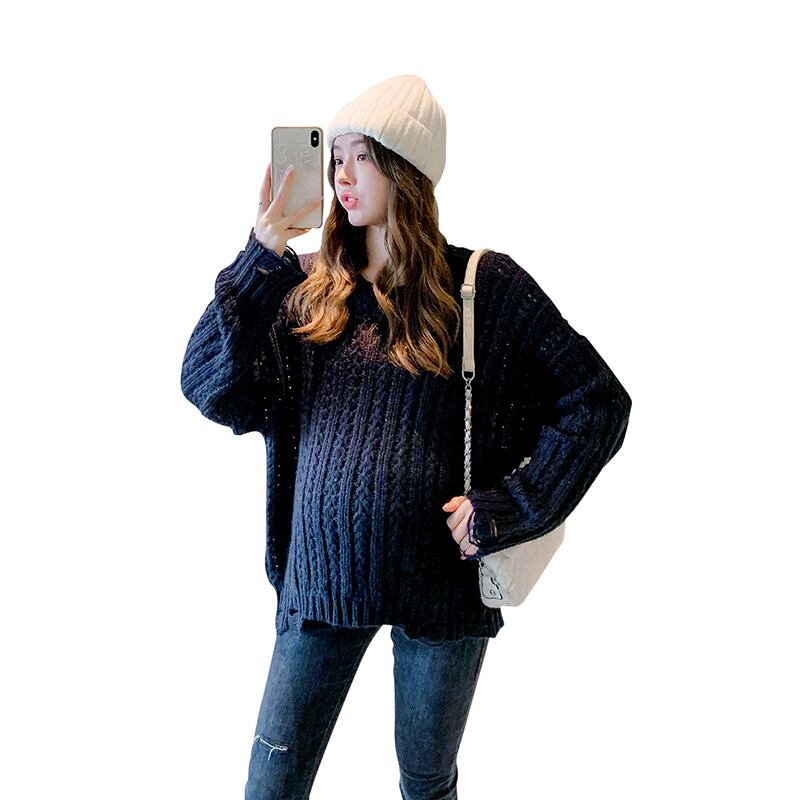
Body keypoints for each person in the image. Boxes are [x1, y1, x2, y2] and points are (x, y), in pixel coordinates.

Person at [180, 74, 632, 800]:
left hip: (441, 592)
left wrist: (508, 508)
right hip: (320, 583)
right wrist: (262, 251)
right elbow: (205, 383)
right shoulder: (305, 289)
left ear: (406, 168)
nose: (341, 175)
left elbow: (597, 402)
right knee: (272, 784)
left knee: (425, 785)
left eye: (362, 156)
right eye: (336, 157)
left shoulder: (482, 287)